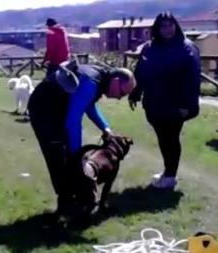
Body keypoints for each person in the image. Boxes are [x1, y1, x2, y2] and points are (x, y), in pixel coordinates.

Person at [28, 61, 136, 215]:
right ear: (116, 81)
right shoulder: (91, 81)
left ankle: (73, 201)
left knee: (67, 156)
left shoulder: (100, 78)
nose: (120, 98)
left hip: (56, 109)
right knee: (59, 156)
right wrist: (77, 156)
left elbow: (88, 104)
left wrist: (105, 128)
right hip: (44, 111)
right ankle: (67, 205)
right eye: (122, 93)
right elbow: (73, 121)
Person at [128, 12, 200, 190]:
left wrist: (187, 105)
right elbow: (140, 72)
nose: (168, 29)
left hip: (176, 103)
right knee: (163, 138)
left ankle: (170, 176)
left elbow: (193, 79)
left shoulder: (187, 48)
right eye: (163, 26)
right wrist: (135, 93)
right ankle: (168, 172)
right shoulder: (149, 48)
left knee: (171, 138)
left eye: (170, 25)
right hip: (153, 102)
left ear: (176, 25)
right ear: (157, 29)